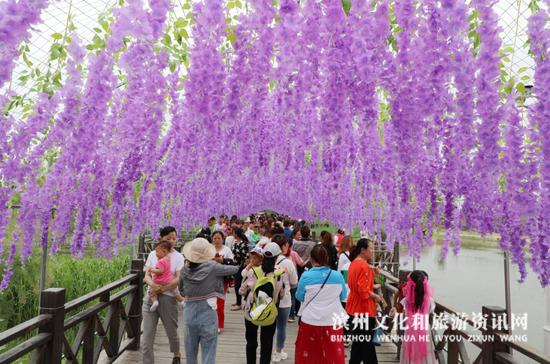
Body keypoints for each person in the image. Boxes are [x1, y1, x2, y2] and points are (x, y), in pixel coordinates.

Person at [181, 238, 239, 364]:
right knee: (209, 350)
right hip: (208, 311)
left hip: (189, 312)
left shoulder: (184, 270)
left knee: (190, 351)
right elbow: (234, 269)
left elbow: (181, 290)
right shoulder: (213, 267)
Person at [295, 245, 348, 364]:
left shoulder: (306, 276)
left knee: (309, 357)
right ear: (327, 258)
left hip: (310, 320)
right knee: (333, 356)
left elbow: (299, 296)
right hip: (332, 321)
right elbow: (343, 296)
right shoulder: (337, 276)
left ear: (312, 259)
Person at [142, 226, 185, 364]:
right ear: (161, 239)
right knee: (147, 337)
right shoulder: (152, 254)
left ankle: (176, 354)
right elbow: (146, 275)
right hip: (150, 297)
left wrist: (160, 289)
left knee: (172, 332)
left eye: (174, 237)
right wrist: (153, 286)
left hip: (168, 298)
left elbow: (178, 279)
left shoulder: (178, 257)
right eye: (168, 238)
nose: (172, 241)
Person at [240, 242, 287, 364]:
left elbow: (241, 290)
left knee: (251, 342)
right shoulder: (279, 274)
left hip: (251, 311)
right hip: (270, 313)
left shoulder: (253, 271)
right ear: (276, 258)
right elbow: (281, 295)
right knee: (267, 344)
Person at [346, 238, 382, 364]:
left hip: (353, 306)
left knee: (358, 342)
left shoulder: (354, 263)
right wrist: (375, 297)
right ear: (363, 250)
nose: (372, 252)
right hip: (363, 309)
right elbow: (363, 291)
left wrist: (372, 280)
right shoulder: (363, 265)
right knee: (366, 345)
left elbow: (358, 286)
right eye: (370, 249)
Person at [399, 271, 437, 364]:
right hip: (424, 330)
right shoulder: (430, 300)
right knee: (425, 353)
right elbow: (431, 311)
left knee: (409, 352)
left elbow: (403, 312)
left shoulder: (406, 300)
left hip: (410, 329)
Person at [271, 235, 298, 362]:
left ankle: (269, 350)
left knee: (269, 326)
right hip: (284, 299)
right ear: (282, 246)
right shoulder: (287, 262)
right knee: (282, 327)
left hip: (269, 298)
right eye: (286, 245)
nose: (288, 248)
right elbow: (294, 282)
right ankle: (278, 351)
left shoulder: (267, 259)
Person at [148, 240, 184, 312]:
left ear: (164, 251)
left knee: (150, 291)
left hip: (160, 281)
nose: (156, 254)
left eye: (157, 252)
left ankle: (155, 302)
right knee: (175, 290)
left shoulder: (161, 261)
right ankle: (182, 300)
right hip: (168, 280)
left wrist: (152, 270)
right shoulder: (168, 259)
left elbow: (160, 271)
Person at [212, 231, 235, 333]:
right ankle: (210, 322)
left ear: (222, 239)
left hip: (222, 279)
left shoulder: (227, 250)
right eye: (215, 238)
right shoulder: (209, 249)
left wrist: (223, 261)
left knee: (220, 302)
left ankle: (219, 324)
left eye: (219, 238)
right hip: (210, 278)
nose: (217, 240)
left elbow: (232, 263)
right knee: (210, 302)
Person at [231, 227, 250, 311]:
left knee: (238, 284)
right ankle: (238, 301)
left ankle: (239, 303)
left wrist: (244, 267)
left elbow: (247, 257)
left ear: (237, 234)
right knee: (237, 284)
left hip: (242, 267)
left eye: (233, 232)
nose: (232, 234)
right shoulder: (235, 242)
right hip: (235, 266)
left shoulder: (243, 244)